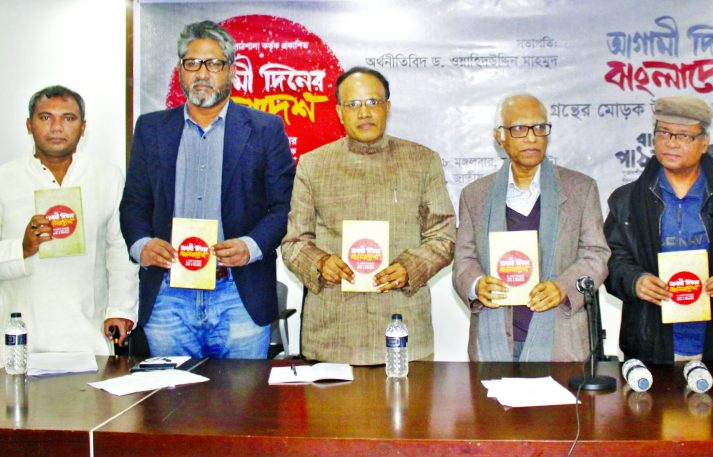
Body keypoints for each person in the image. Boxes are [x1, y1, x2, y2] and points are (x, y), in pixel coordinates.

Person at [119, 21, 295, 358]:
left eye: (214, 63)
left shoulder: (265, 129)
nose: (203, 73)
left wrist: (251, 245)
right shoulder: (151, 128)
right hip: (169, 295)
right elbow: (134, 203)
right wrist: (141, 245)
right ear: (181, 71)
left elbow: (284, 206)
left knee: (242, 408)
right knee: (171, 404)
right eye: (192, 63)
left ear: (231, 71)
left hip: (238, 293)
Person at [281, 67, 455, 365]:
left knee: (409, 411)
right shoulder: (313, 165)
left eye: (373, 102)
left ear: (388, 107)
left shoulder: (422, 161)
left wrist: (409, 267)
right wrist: (320, 264)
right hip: (332, 333)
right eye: (353, 104)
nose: (364, 113)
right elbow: (293, 243)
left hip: (403, 327)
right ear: (339, 112)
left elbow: (444, 236)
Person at [604, 95, 713, 364]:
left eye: (684, 135)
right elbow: (612, 258)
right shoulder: (627, 201)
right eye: (663, 132)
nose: (671, 142)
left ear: (705, 142)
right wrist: (634, 280)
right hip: (652, 344)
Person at [452, 94, 609, 362]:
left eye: (539, 128)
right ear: (499, 136)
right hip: (495, 342)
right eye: (519, 129)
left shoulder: (580, 189)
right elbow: (464, 259)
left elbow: (596, 255)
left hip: (561, 343)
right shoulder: (475, 195)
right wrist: (477, 285)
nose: (532, 137)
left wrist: (564, 287)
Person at [0, 85, 137, 357]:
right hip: (20, 341)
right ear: (29, 125)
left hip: (90, 339)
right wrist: (22, 249)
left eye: (68, 118)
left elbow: (120, 251)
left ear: (83, 127)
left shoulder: (106, 176)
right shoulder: (5, 179)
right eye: (45, 117)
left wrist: (120, 311)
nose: (57, 127)